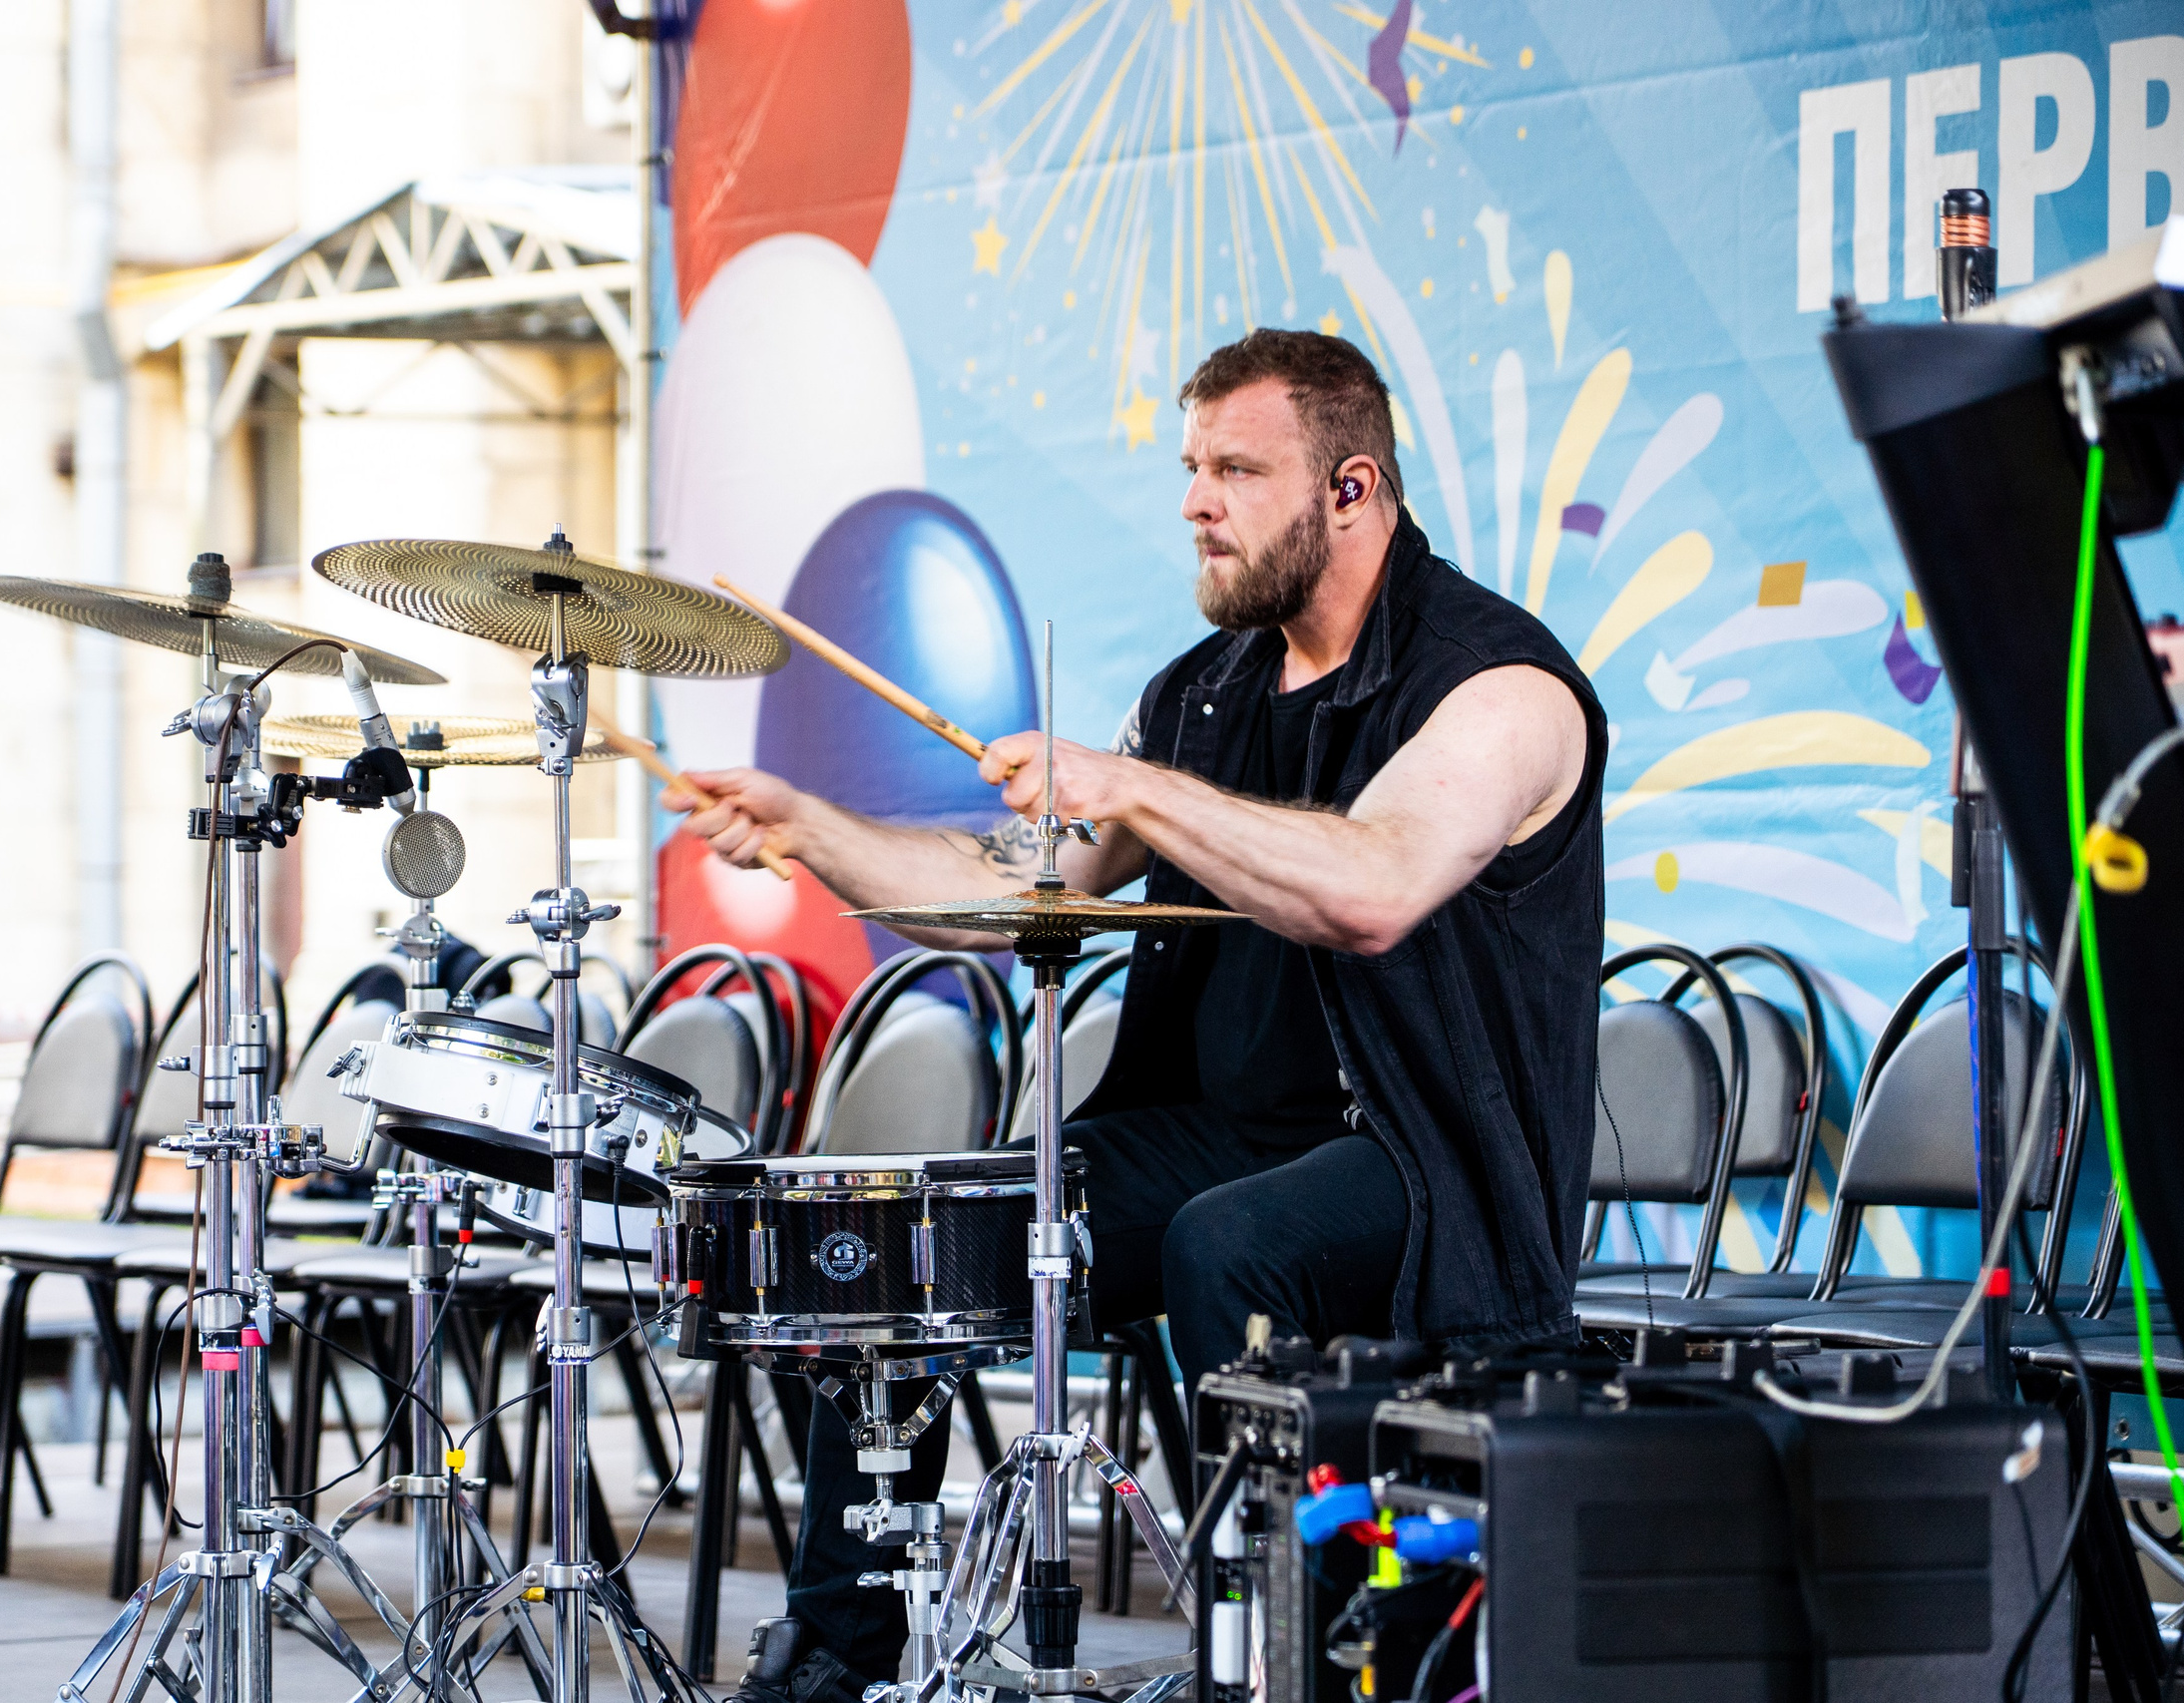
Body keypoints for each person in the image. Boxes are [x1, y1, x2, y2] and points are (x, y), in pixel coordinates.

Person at [671, 328, 1606, 1703]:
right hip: (1215, 1131)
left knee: (1232, 1243)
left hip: (1428, 1161)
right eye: (1191, 466)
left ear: (1353, 490)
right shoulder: (1205, 693)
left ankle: (1286, 1665)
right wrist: (815, 831)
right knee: (918, 1225)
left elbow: (1380, 884)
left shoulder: (1501, 686)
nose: (1196, 502)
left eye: (1237, 468)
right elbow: (1012, 892)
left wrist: (1136, 787)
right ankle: (838, 1653)